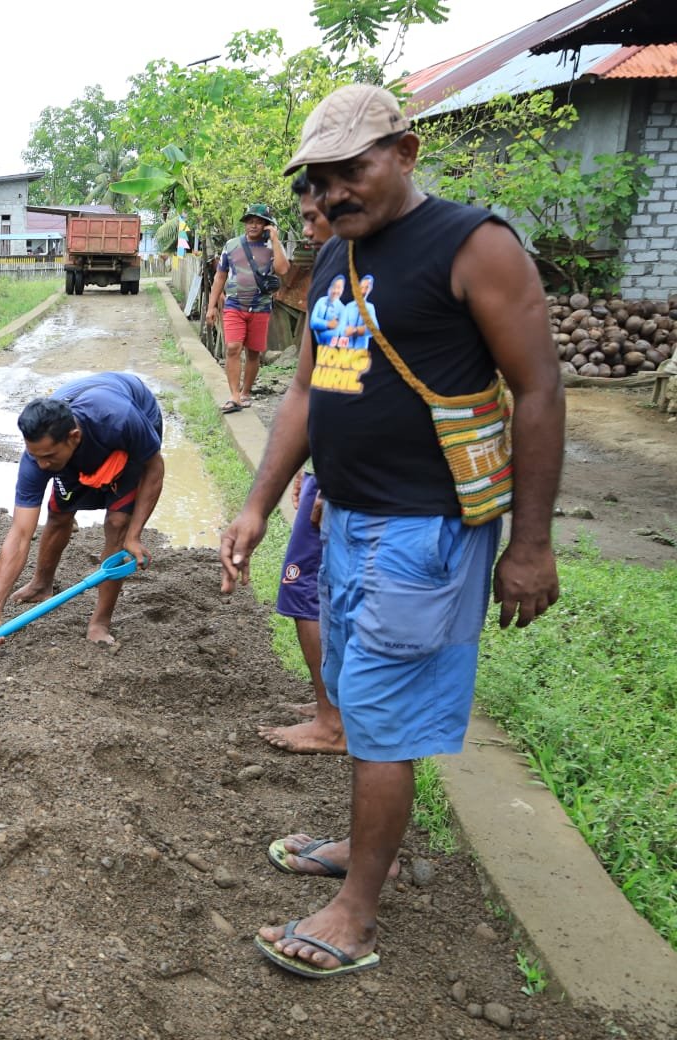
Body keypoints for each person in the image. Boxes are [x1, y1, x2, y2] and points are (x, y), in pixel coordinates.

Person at [220, 84, 564, 978]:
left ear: (405, 154)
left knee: (380, 716)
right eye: (319, 177)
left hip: (424, 533)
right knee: (354, 693)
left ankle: (356, 913)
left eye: (352, 170)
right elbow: (309, 389)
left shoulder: (473, 246)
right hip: (346, 520)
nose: (332, 192)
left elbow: (538, 390)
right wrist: (259, 503)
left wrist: (530, 544)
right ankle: (364, 848)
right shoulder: (339, 255)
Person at [0, 372, 166, 647]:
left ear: (73, 437)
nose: (41, 465)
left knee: (117, 523)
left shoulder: (120, 420)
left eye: (48, 457)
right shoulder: (38, 458)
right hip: (82, 432)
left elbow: (154, 468)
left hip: (132, 419)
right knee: (58, 513)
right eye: (35, 456)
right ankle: (42, 584)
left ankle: (100, 622)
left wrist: (134, 535)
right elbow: (20, 534)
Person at [259, 175, 344, 757]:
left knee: (307, 593)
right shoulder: (335, 269)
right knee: (313, 592)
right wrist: (306, 469)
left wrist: (331, 479)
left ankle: (331, 718)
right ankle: (327, 703)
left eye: (314, 218)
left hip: (354, 485)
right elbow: (312, 389)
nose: (307, 231)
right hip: (329, 472)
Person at [204, 203, 290, 413]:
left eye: (258, 222)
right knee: (233, 347)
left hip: (260, 308)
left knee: (253, 353)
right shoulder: (232, 245)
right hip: (234, 305)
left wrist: (276, 239)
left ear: (267, 225)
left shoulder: (272, 247)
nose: (253, 225)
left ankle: (245, 393)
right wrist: (211, 306)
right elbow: (220, 276)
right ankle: (234, 396)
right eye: (250, 221)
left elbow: (282, 269)